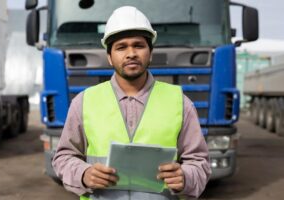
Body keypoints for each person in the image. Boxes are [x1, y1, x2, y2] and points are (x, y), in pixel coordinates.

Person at [52, 6, 211, 200]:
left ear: (150, 53)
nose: (131, 53)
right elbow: (63, 158)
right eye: (121, 47)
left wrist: (186, 177)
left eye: (138, 45)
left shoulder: (180, 103)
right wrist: (83, 174)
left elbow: (200, 163)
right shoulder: (84, 102)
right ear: (110, 57)